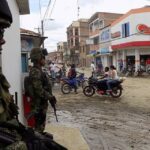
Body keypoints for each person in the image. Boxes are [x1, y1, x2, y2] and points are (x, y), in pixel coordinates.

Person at [29, 47, 57, 133]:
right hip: (38, 106)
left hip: (41, 104)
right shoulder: (35, 72)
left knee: (41, 127)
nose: (45, 60)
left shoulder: (39, 71)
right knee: (39, 129)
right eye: (43, 58)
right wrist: (50, 97)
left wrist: (50, 97)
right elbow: (39, 90)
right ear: (38, 58)